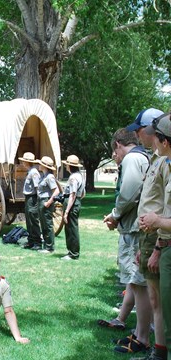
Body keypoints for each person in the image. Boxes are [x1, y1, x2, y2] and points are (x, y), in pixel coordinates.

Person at [102, 128, 152, 354]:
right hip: (137, 226)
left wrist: (115, 214)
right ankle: (139, 332)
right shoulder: (145, 157)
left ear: (118, 144)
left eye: (115, 152)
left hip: (134, 230)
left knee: (139, 283)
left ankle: (142, 338)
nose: (116, 157)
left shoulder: (132, 158)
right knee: (137, 282)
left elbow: (129, 193)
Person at [136, 112, 171, 360]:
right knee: (157, 298)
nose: (143, 135)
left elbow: (162, 209)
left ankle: (158, 349)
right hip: (155, 235)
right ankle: (158, 348)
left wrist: (157, 247)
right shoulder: (158, 159)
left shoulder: (165, 163)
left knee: (160, 299)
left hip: (161, 236)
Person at [18, 152, 43, 250]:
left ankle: (37, 242)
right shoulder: (30, 171)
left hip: (32, 198)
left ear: (27, 162)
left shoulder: (34, 172)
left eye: (24, 161)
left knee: (33, 220)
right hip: (29, 198)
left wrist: (38, 200)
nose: (23, 163)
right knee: (29, 221)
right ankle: (31, 241)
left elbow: (37, 188)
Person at [36, 156, 60, 254]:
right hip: (42, 200)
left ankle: (50, 247)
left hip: (46, 201)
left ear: (44, 166)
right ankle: (46, 245)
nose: (39, 165)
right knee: (44, 224)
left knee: (48, 224)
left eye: (40, 164)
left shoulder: (49, 177)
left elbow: (56, 191)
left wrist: (49, 202)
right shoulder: (44, 176)